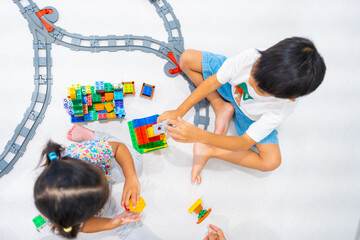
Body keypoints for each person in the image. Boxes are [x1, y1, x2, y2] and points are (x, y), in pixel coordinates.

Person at [158, 37, 326, 184]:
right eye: (255, 71)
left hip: (249, 117)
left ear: (286, 97)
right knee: (187, 58)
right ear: (264, 55)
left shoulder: (282, 108)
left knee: (271, 162)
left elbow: (244, 142)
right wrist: (179, 110)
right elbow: (213, 82)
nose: (251, 82)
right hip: (227, 87)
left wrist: (201, 137)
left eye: (261, 89)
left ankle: (210, 150)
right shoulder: (252, 57)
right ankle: (220, 106)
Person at [34, 124, 158, 239]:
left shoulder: (87, 153)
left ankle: (95, 137)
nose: (108, 193)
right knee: (126, 224)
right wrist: (112, 222)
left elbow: (119, 147)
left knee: (137, 163)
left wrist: (131, 177)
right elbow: (83, 226)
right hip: (96, 178)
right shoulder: (64, 216)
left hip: (102, 163)